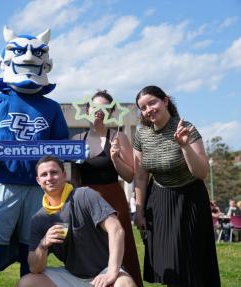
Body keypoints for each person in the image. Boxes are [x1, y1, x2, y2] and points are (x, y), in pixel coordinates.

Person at [0, 27, 69, 286]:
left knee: (32, 250)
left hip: (38, 189)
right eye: (19, 52)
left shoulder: (52, 107)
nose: (28, 57)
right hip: (1, 184)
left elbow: (62, 146)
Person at [133, 85, 220, 286]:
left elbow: (201, 172)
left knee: (189, 262)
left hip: (190, 199)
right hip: (159, 200)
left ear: (165, 101)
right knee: (167, 262)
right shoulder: (142, 135)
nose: (148, 110)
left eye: (152, 102)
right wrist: (139, 211)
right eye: (143, 107)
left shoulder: (185, 127)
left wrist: (184, 146)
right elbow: (139, 177)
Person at [17, 155, 136, 287]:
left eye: (54, 172)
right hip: (72, 275)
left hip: (105, 270)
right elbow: (35, 268)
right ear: (38, 181)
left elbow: (116, 229)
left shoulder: (84, 195)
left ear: (64, 175)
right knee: (26, 283)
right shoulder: (39, 219)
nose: (49, 178)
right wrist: (43, 244)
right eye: (44, 175)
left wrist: (112, 272)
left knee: (125, 284)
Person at [72, 90, 142, 287]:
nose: (99, 111)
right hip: (85, 200)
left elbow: (129, 176)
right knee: (88, 248)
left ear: (111, 112)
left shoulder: (119, 137)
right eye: (95, 106)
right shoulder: (77, 138)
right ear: (87, 110)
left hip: (113, 199)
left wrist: (115, 158)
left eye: (104, 108)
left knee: (119, 245)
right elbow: (75, 177)